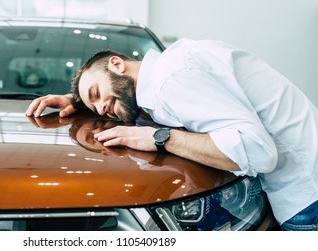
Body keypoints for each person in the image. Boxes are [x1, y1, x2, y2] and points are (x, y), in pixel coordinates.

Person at [26, 38, 318, 231]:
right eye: (97, 108)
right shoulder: (166, 74)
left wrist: (160, 138)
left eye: (97, 93)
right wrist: (78, 101)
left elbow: (259, 153)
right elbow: (139, 108)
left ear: (117, 63)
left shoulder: (172, 79)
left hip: (306, 198)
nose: (103, 109)